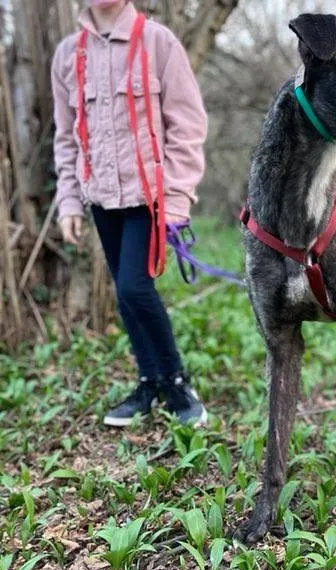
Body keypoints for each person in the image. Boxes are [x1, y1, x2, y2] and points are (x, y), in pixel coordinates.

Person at [51, 0, 209, 426]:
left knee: (135, 289)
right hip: (102, 199)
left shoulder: (158, 43)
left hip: (149, 200)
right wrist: (69, 202)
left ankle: (176, 383)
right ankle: (149, 381)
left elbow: (188, 127)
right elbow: (66, 138)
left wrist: (176, 202)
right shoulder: (69, 55)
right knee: (125, 291)